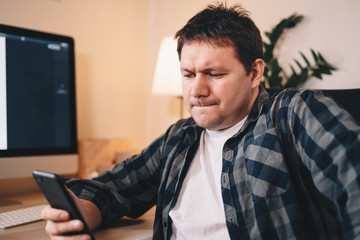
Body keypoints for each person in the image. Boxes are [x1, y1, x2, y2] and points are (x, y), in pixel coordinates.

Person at [41, 3, 360, 240]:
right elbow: (110, 190)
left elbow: (354, 182)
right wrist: (79, 213)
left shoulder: (293, 113)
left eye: (214, 74)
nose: (197, 90)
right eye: (188, 74)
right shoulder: (180, 137)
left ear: (255, 73)